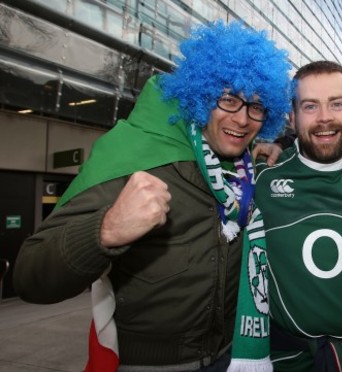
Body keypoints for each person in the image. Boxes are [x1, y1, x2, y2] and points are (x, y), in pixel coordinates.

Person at [13, 21, 292, 371]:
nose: (243, 119)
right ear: (201, 95)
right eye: (228, 99)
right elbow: (29, 277)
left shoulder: (243, 169)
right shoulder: (135, 154)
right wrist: (104, 231)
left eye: (256, 107)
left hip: (230, 356)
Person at [228, 61, 342, 371]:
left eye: (336, 103)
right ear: (292, 117)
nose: (324, 117)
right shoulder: (259, 175)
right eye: (310, 106)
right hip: (282, 359)